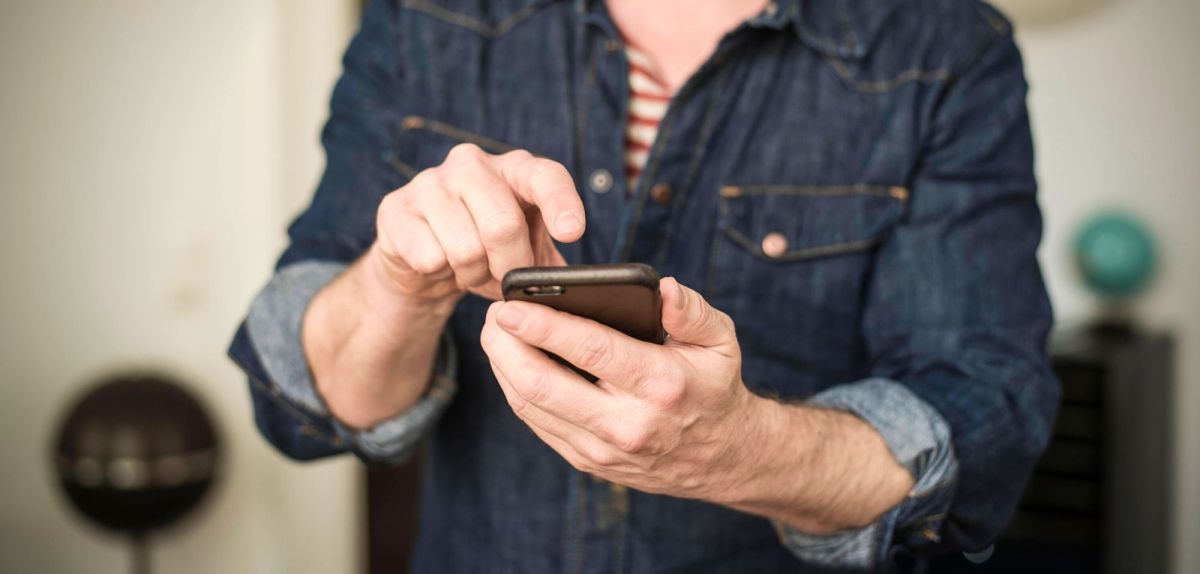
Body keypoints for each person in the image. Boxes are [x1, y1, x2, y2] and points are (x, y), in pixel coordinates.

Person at [229, 0, 1059, 571]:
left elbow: (985, 416)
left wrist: (740, 452)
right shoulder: (427, 20)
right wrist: (400, 283)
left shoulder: (946, 47)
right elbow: (303, 409)